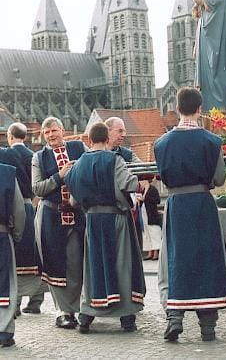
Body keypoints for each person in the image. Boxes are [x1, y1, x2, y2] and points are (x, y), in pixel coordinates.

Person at [154, 87, 226, 342]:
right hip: (202, 203)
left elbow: (163, 177)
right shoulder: (212, 142)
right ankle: (208, 326)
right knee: (207, 258)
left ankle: (175, 317)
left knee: (175, 257)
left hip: (177, 204)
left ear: (177, 108)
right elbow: (220, 178)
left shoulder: (161, 143)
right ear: (200, 109)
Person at [64, 122, 146, 334]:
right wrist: (140, 182)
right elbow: (128, 184)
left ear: (89, 140)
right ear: (106, 139)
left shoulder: (78, 164)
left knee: (93, 266)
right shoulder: (114, 159)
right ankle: (127, 316)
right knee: (121, 264)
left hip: (92, 220)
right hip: (115, 218)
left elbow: (73, 200)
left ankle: (86, 316)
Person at [32, 117, 86, 329]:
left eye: (54, 130)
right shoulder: (39, 157)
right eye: (47, 133)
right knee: (56, 265)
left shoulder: (78, 147)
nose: (51, 135)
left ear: (62, 130)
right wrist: (59, 176)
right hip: (51, 217)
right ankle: (65, 312)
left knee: (76, 262)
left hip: (78, 216)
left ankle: (82, 307)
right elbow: (37, 189)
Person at [5, 123, 46, 316]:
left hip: (14, 207)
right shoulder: (33, 156)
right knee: (34, 252)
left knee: (14, 254)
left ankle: (15, 303)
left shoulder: (6, 155)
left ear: (10, 135)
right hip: (32, 205)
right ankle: (36, 300)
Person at [105, 117, 143, 249]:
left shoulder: (127, 154)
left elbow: (143, 169)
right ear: (108, 132)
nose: (123, 135)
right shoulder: (95, 154)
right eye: (119, 131)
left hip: (122, 210)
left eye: (124, 131)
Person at [0, 163, 25, 347]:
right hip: (1, 235)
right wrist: (15, 236)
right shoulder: (7, 172)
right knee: (5, 284)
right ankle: (3, 331)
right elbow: (19, 211)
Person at [137, 179, 161, 260]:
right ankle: (150, 252)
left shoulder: (152, 189)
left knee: (154, 233)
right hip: (144, 215)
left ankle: (156, 253)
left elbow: (157, 200)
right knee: (147, 234)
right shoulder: (142, 191)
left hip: (152, 215)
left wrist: (144, 198)